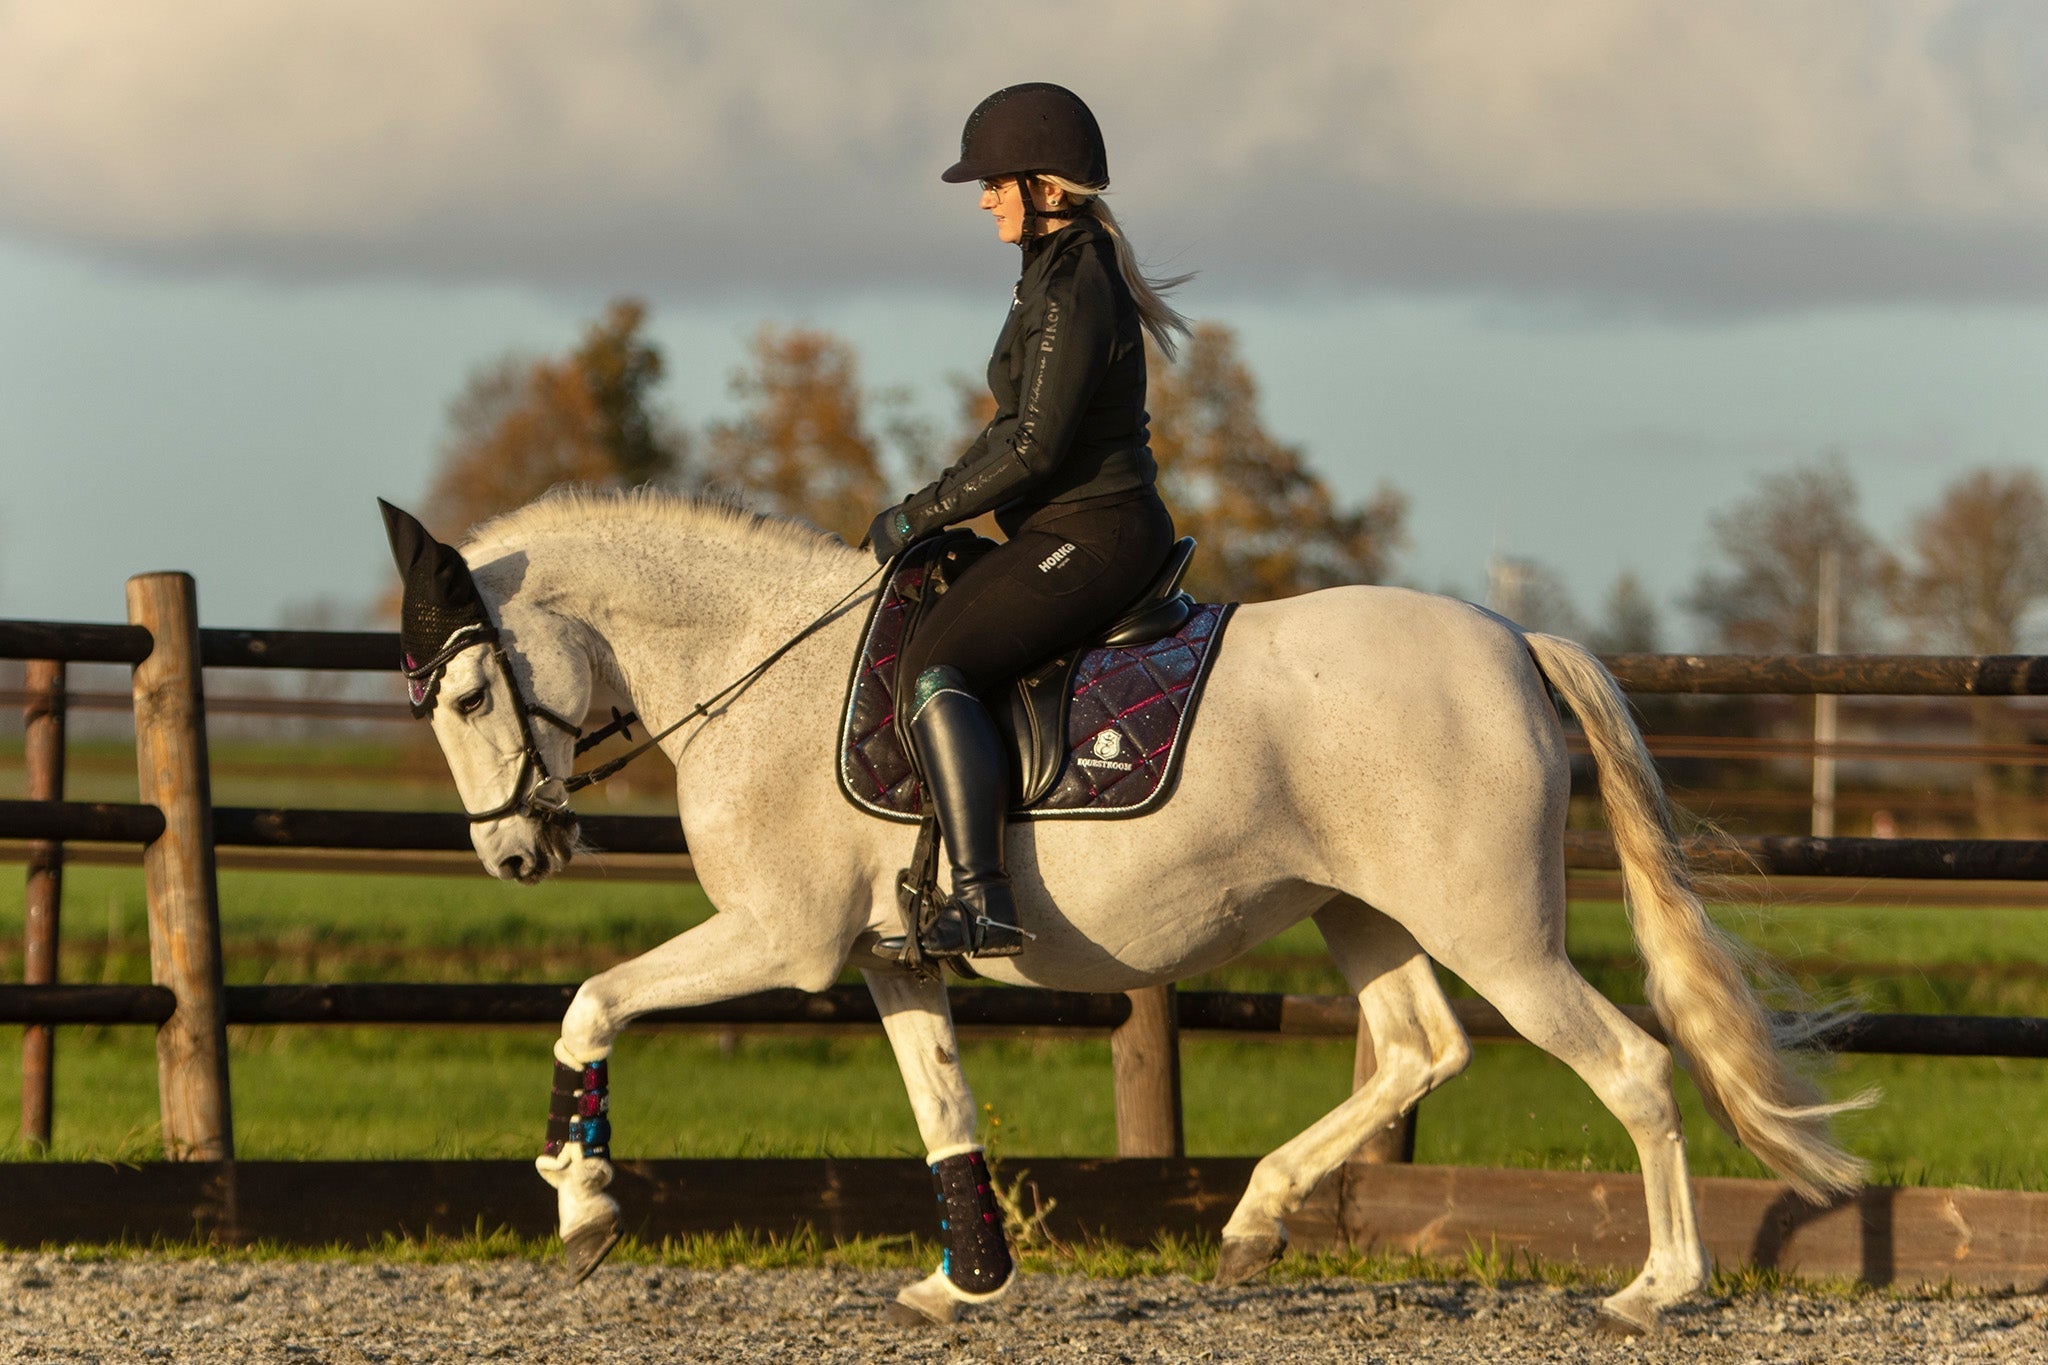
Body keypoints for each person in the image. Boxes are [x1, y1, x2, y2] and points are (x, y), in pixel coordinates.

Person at [866, 83, 1193, 958]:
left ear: (1045, 188)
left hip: (1094, 532)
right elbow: (1007, 432)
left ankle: (985, 901)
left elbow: (1035, 454)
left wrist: (914, 518)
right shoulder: (1049, 277)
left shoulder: (1072, 283)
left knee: (935, 666)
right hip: (1063, 529)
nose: (982, 199)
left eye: (994, 183)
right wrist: (926, 505)